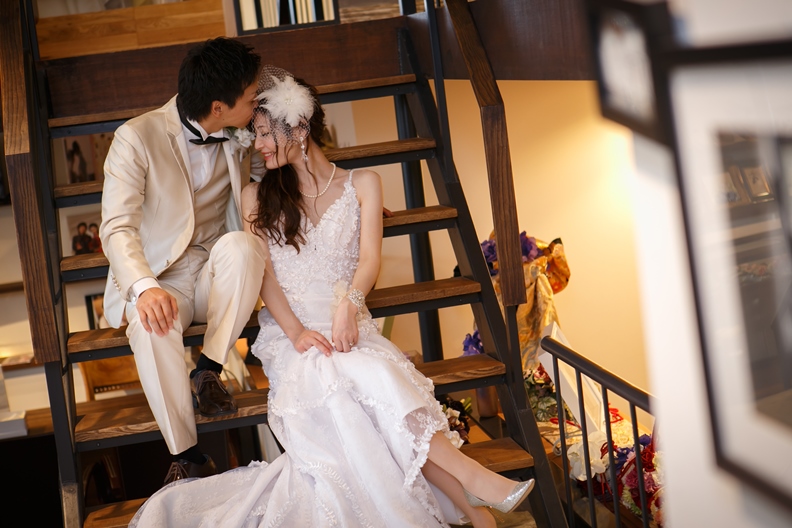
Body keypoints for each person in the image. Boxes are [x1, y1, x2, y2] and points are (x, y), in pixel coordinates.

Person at [130, 66, 533, 528]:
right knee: (365, 379)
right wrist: (298, 333)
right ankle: (476, 488)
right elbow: (265, 278)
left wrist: (349, 305)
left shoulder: (364, 184)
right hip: (292, 337)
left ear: (299, 128)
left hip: (349, 325)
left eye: (265, 134)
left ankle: (478, 513)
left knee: (372, 379)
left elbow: (369, 261)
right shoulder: (255, 196)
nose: (258, 145)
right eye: (254, 134)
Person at [100, 38, 267, 485]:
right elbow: (116, 227)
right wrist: (144, 288)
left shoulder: (241, 133)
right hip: (162, 278)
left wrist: (331, 200)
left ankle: (208, 370)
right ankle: (187, 454)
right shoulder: (136, 137)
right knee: (148, 324)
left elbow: (273, 178)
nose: (257, 104)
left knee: (245, 247)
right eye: (251, 98)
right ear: (218, 107)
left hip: (214, 271)